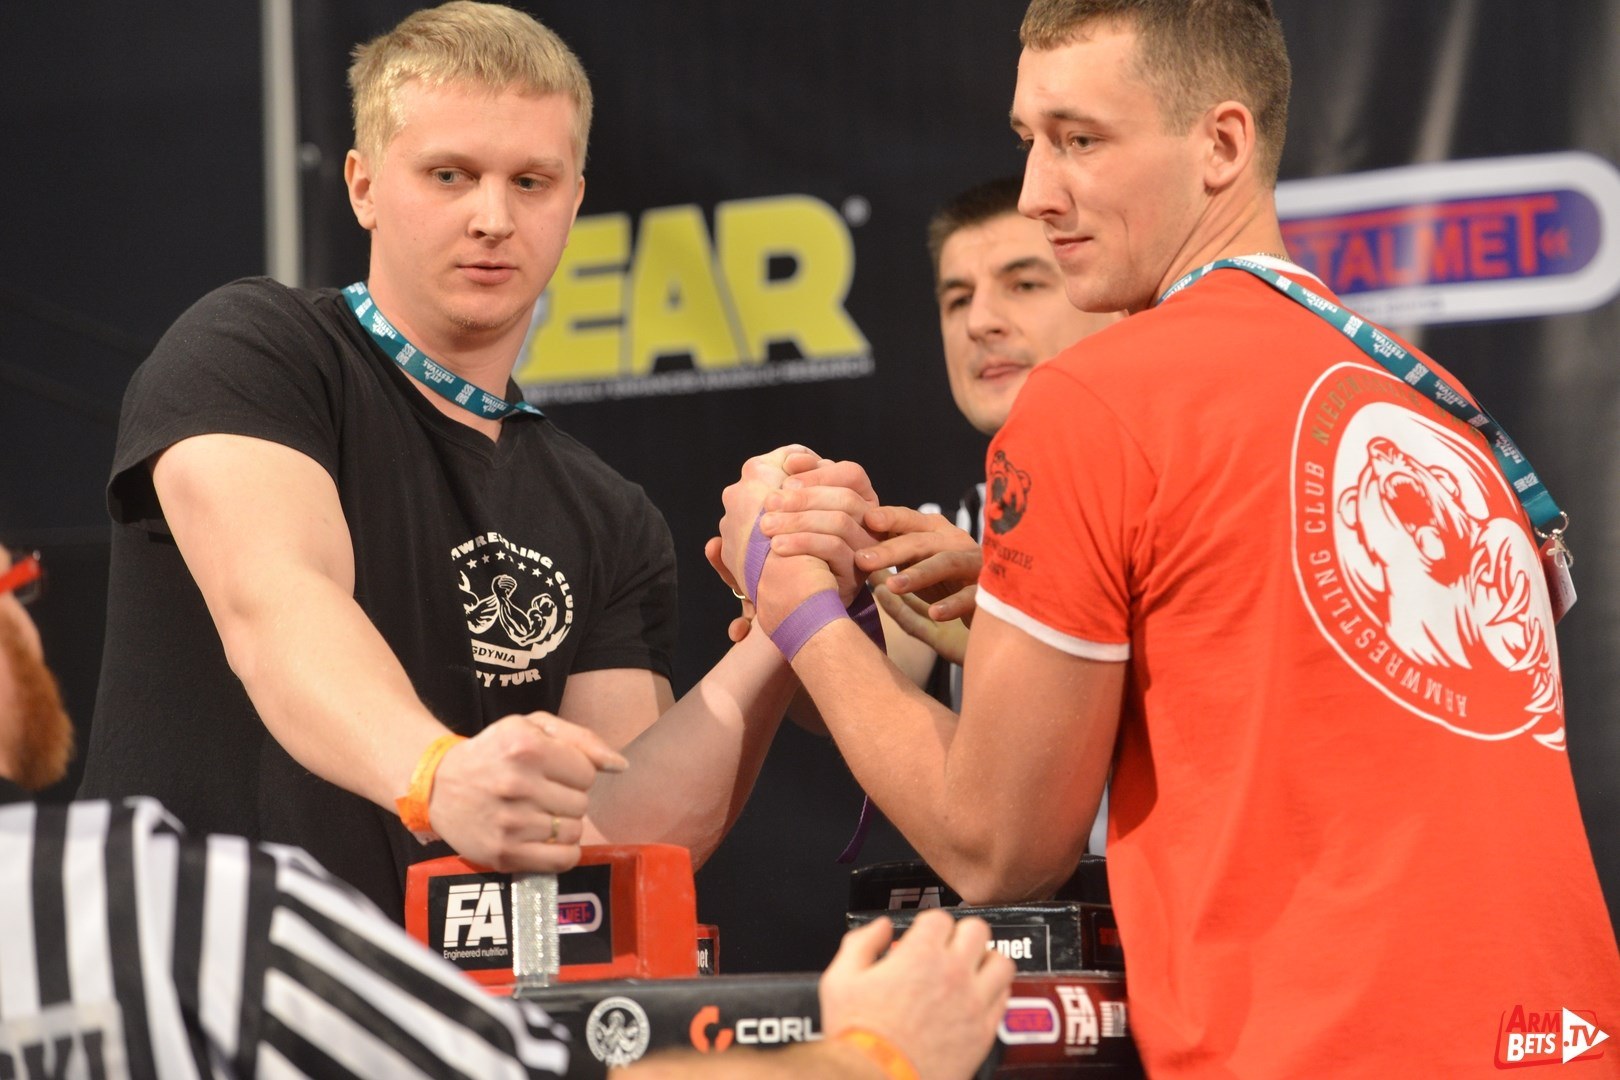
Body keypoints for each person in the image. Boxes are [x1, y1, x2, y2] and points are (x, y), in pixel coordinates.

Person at [715, 1, 1620, 1076]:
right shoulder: (1430, 397)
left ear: (1222, 144)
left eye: (1080, 140)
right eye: (1029, 140)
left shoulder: (1095, 401)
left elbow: (998, 846)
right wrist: (1020, 617)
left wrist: (797, 603)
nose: (1039, 191)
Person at [78, 1, 809, 924]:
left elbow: (611, 835)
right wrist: (436, 775)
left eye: (531, 181)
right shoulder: (254, 348)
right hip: (187, 980)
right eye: (450, 175)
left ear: (574, 201)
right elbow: (277, 603)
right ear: (363, 185)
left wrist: (791, 619)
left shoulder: (609, 513)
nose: (493, 218)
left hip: (431, 1006)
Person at [0, 546, 1016, 1079]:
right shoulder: (172, 906)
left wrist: (782, 624)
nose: (26, 620)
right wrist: (868, 1053)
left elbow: (621, 837)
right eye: (12, 582)